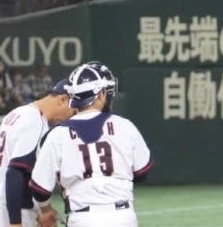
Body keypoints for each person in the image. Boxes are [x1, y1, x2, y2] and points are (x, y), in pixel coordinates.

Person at [30, 61, 153, 227]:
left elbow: (40, 189)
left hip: (82, 218)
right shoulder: (125, 126)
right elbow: (142, 172)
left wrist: (46, 209)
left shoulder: (57, 135)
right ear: (101, 95)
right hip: (123, 216)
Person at [0, 79, 75, 227]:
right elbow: (14, 173)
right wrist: (16, 223)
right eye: (73, 111)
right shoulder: (35, 121)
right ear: (62, 99)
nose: (72, 117)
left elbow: (23, 173)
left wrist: (45, 208)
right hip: (10, 211)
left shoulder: (18, 113)